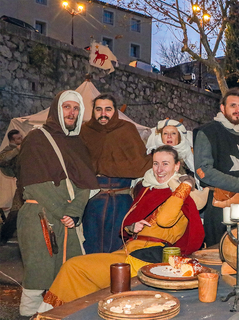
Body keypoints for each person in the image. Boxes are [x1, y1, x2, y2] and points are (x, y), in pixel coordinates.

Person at [38, 146, 205, 311]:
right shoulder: (149, 189)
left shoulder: (185, 196)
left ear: (177, 166)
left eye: (165, 164)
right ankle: (80, 312)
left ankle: (52, 314)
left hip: (148, 259)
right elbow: (128, 224)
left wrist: (185, 185)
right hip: (127, 251)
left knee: (74, 267)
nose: (159, 169)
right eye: (155, 163)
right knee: (80, 273)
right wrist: (133, 227)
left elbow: (164, 220)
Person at [16, 91, 98, 316]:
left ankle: (56, 315)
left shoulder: (77, 143)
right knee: (38, 274)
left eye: (76, 108)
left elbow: (85, 183)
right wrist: (64, 212)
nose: (72, 112)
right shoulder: (36, 138)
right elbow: (34, 185)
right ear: (56, 109)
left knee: (69, 273)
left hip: (67, 219)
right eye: (67, 107)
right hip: (39, 216)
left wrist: (74, 212)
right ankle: (28, 316)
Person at [80, 93, 152, 254]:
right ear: (93, 111)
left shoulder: (126, 129)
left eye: (108, 109)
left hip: (121, 201)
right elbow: (78, 163)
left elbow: (139, 163)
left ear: (115, 110)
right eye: (99, 109)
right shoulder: (85, 131)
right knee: (91, 244)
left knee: (119, 247)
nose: (103, 113)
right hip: (92, 200)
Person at [194, 88, 239, 246]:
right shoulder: (208, 132)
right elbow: (203, 171)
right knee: (220, 252)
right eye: (233, 105)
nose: (237, 110)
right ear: (222, 108)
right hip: (219, 203)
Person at [0, 129, 23, 245]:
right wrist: (16, 150)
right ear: (12, 141)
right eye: (18, 139)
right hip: (22, 186)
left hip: (30, 184)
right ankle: (3, 237)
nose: (21, 140)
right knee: (15, 212)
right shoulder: (10, 150)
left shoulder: (26, 148)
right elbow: (2, 159)